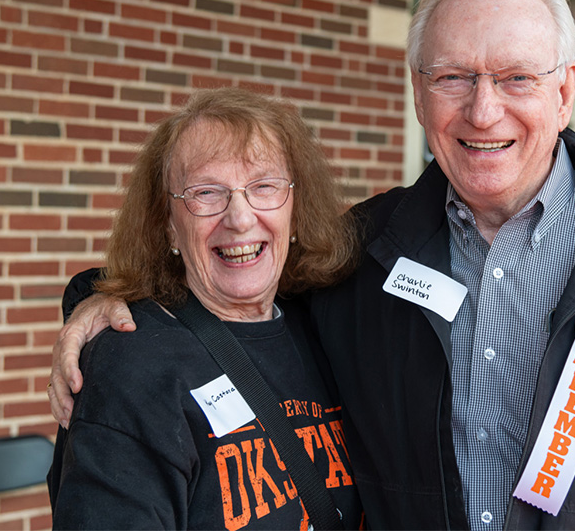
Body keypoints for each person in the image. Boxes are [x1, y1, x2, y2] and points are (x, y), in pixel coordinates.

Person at [48, 0, 575, 530]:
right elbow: (236, 285)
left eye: (516, 77)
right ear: (417, 92)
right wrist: (109, 305)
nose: (483, 108)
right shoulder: (361, 251)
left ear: (565, 92)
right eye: (453, 77)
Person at [47, 87, 363, 530]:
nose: (240, 217)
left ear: (296, 206)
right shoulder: (131, 366)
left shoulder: (331, 328)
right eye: (206, 193)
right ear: (169, 226)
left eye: (264, 186)